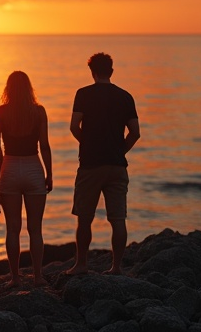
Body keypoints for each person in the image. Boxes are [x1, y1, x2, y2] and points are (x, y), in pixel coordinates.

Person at [66, 52, 140, 275]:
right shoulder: (125, 96)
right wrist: (119, 150)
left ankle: (81, 265)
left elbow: (73, 126)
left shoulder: (83, 94)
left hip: (90, 165)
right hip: (117, 166)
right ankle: (116, 267)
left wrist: (87, 143)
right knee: (118, 219)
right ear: (112, 71)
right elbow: (135, 133)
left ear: (92, 72)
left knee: (85, 218)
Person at [0, 71, 53, 287]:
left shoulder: (0, 112)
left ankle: (15, 278)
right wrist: (49, 173)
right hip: (33, 167)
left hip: (9, 167)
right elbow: (44, 145)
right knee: (35, 229)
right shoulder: (38, 111)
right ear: (29, 88)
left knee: (12, 228)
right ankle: (38, 277)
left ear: (8, 88)